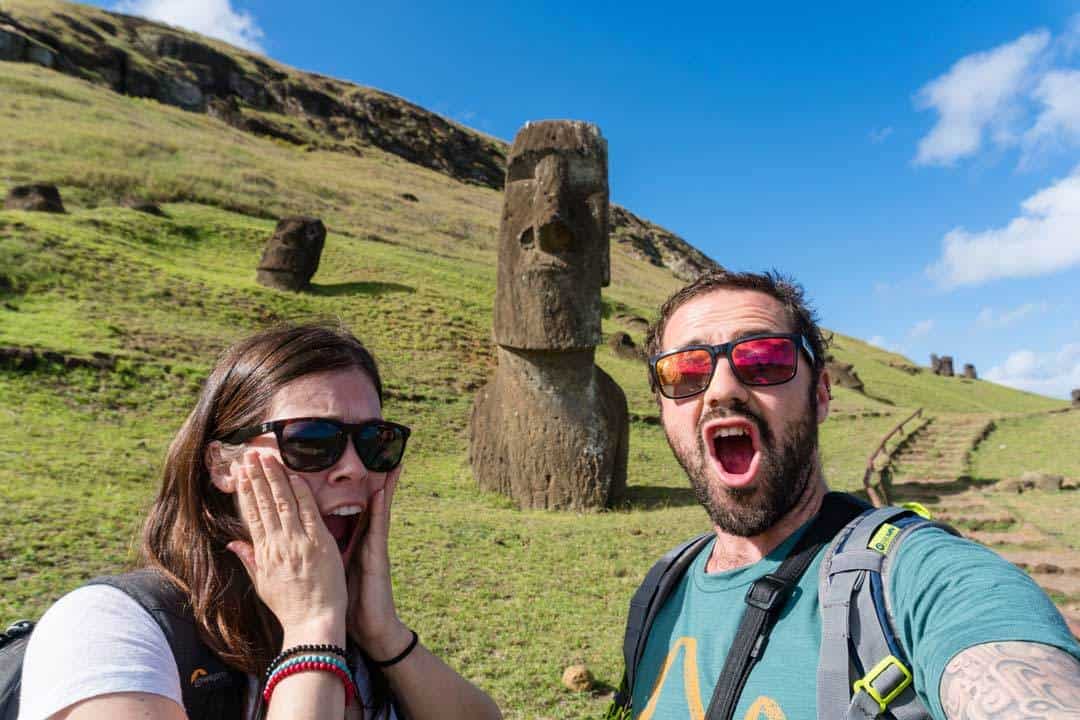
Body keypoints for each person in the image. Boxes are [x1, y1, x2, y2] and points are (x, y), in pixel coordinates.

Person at [620, 270, 1080, 719]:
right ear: (662, 408)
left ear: (820, 395)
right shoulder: (663, 589)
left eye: (764, 360)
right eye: (686, 370)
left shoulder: (915, 575)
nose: (722, 390)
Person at [18, 323, 503, 720]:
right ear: (223, 465)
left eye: (375, 440)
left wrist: (384, 635)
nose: (354, 468)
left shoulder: (361, 634)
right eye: (312, 439)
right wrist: (312, 630)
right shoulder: (108, 627)